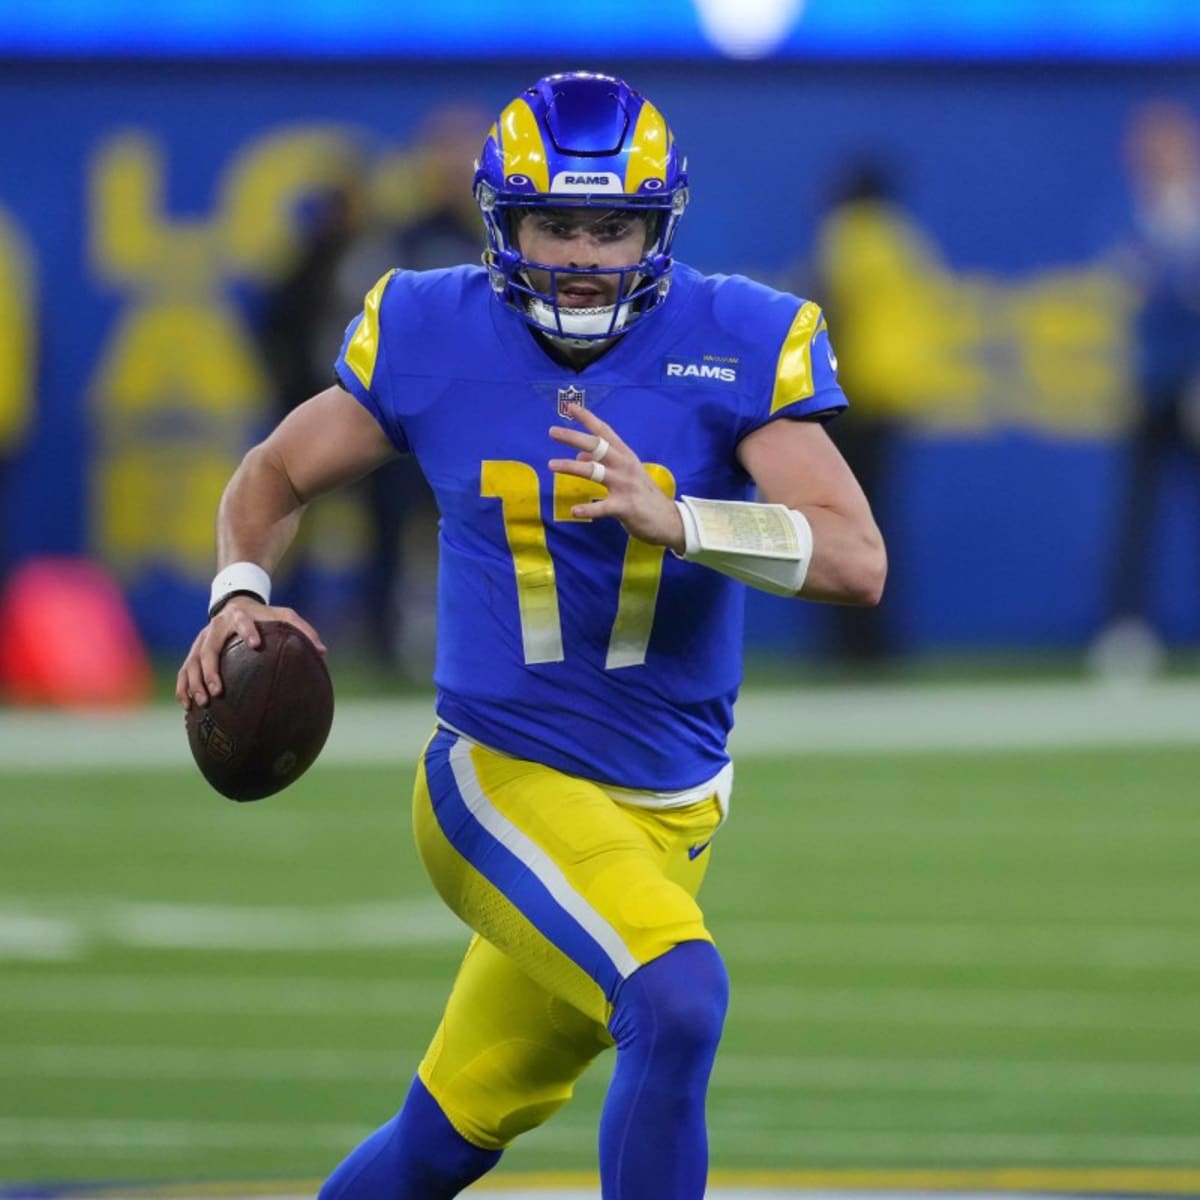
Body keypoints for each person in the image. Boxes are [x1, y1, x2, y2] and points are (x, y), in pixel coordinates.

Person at [177, 72, 885, 1200]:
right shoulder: (428, 325)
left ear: (660, 226)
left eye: (613, 225)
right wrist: (239, 593)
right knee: (676, 995)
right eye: (558, 222)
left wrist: (682, 518)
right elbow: (274, 472)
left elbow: (856, 559)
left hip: (673, 810)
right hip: (501, 772)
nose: (586, 255)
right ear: (504, 222)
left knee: (441, 1138)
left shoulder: (741, 336)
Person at [1092, 100, 1200, 677]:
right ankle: (1127, 632)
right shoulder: (1130, 213)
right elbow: (1122, 290)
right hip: (1150, 387)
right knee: (1138, 514)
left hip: (1196, 384)